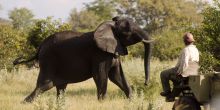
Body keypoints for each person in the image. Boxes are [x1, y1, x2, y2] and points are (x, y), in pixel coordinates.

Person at [160, 32, 200, 102]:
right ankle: (172, 94)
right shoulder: (196, 50)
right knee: (171, 72)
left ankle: (167, 92)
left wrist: (180, 73)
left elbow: (185, 63)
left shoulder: (186, 50)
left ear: (185, 41)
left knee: (163, 74)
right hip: (194, 72)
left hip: (185, 72)